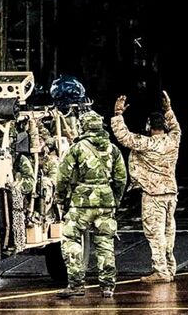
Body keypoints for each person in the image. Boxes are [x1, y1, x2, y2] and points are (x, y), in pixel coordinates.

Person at [111, 91, 181, 283]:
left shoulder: (146, 143)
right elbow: (176, 127)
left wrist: (118, 114)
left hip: (153, 194)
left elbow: (123, 137)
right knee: (168, 232)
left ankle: (160, 271)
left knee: (155, 234)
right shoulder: (173, 141)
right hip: (170, 193)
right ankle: (170, 267)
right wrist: (168, 109)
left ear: (149, 127)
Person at [56, 111, 127, 299]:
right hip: (105, 201)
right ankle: (107, 286)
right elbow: (121, 178)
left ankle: (76, 283)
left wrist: (60, 198)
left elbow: (62, 176)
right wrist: (115, 199)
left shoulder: (76, 148)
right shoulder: (113, 149)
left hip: (81, 202)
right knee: (105, 242)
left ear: (84, 126)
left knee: (70, 239)